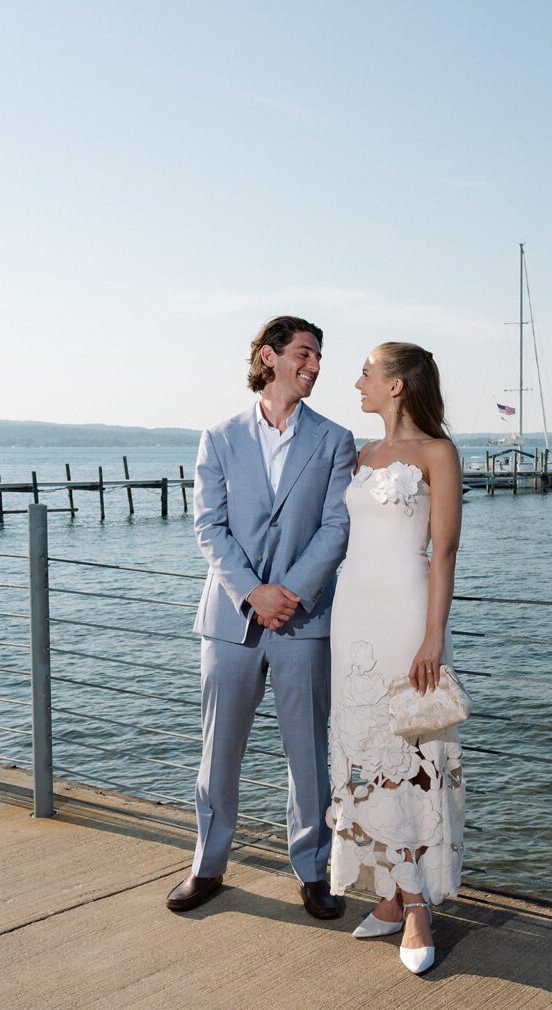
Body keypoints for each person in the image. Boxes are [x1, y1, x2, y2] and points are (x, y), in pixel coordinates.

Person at [167, 315, 356, 919]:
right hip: (230, 620)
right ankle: (207, 866)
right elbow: (208, 527)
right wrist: (253, 593)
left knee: (307, 753)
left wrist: (291, 593)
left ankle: (313, 869)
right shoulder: (218, 436)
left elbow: (337, 527)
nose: (316, 365)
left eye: (319, 355)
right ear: (271, 357)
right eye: (304, 352)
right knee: (219, 750)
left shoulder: (334, 439)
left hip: (305, 621)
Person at [326, 342, 464, 973]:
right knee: (361, 752)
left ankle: (417, 906)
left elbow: (443, 554)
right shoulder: (361, 454)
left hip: (407, 619)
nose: (357, 382)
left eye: (366, 373)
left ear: (399, 386)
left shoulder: (438, 453)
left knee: (410, 755)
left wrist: (433, 637)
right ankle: (387, 893)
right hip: (352, 615)